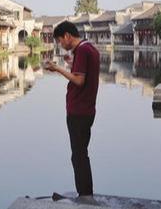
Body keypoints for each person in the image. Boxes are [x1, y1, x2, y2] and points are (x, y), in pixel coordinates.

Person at [45, 21, 100, 199]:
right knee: (81, 153)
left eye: (60, 40)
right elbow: (83, 74)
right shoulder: (88, 48)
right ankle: (85, 194)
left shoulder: (82, 50)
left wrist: (57, 68)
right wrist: (71, 63)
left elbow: (79, 81)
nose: (61, 44)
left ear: (68, 36)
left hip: (79, 111)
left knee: (78, 155)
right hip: (87, 109)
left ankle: (85, 196)